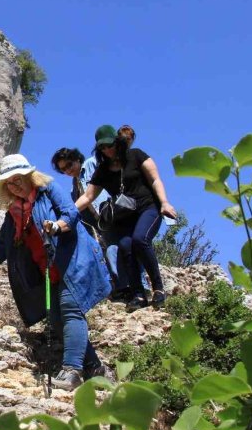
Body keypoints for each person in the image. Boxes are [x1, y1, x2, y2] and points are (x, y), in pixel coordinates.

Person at [0, 154, 112, 391]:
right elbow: (0, 246)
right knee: (56, 319)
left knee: (70, 309)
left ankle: (72, 372)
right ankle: (95, 368)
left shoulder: (48, 189)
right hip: (48, 271)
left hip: (73, 260)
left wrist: (56, 226)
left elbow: (70, 214)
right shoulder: (14, 213)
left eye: (19, 178)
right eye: (9, 182)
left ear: (30, 176)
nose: (15, 184)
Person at [75, 125, 177, 311]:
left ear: (118, 142)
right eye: (102, 148)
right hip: (125, 216)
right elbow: (88, 196)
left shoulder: (136, 155)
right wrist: (69, 213)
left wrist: (164, 202)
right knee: (125, 246)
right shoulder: (103, 169)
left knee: (140, 239)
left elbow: (155, 179)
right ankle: (137, 294)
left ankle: (158, 288)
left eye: (109, 145)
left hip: (149, 208)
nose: (107, 150)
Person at [50, 147, 123, 298]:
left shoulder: (91, 164)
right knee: (110, 251)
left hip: (111, 213)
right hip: (99, 223)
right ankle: (120, 287)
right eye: (63, 169)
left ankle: (134, 286)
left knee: (119, 248)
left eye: (69, 165)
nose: (67, 170)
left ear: (77, 159)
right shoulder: (74, 186)